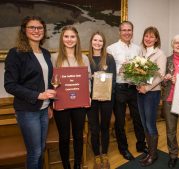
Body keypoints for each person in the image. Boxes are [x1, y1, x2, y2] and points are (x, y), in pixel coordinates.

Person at [4, 16, 55, 169]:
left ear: (44, 31)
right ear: (24, 31)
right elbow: (10, 85)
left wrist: (49, 104)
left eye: (39, 28)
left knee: (41, 149)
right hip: (27, 110)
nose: (36, 30)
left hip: (44, 109)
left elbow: (47, 81)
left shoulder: (46, 53)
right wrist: (39, 95)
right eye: (32, 27)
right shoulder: (16, 53)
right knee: (35, 152)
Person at [51, 25, 91, 169]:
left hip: (79, 104)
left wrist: (88, 97)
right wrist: (52, 98)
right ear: (62, 38)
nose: (69, 39)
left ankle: (77, 165)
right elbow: (51, 81)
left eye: (72, 36)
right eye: (66, 36)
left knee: (78, 136)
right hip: (61, 103)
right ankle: (66, 165)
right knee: (64, 137)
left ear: (77, 39)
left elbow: (88, 80)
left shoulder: (84, 58)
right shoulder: (54, 57)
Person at [107, 21, 146, 161]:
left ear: (132, 32)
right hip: (119, 89)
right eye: (124, 30)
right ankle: (123, 148)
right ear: (119, 32)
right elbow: (108, 70)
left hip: (134, 88)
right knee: (120, 121)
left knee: (138, 118)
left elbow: (141, 69)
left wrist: (141, 76)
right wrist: (120, 69)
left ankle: (141, 145)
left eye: (129, 30)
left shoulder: (137, 49)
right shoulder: (111, 49)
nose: (127, 32)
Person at [136, 26, 167, 166]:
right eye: (146, 36)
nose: (148, 39)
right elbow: (136, 72)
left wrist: (147, 88)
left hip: (152, 93)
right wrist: (137, 84)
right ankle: (150, 151)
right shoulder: (140, 52)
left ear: (156, 39)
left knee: (150, 123)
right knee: (144, 123)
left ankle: (153, 155)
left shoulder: (160, 54)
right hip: (140, 91)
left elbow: (160, 76)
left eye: (151, 36)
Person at [86, 31, 116, 169]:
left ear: (103, 43)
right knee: (94, 128)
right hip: (91, 99)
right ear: (91, 41)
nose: (97, 43)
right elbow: (82, 80)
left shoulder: (109, 58)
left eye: (100, 41)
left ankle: (104, 153)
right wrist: (90, 77)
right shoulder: (86, 59)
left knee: (105, 126)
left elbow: (114, 79)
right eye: (95, 40)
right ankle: (97, 155)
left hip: (106, 98)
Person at [162, 34, 179, 168]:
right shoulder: (166, 60)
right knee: (170, 131)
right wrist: (165, 78)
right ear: (172, 45)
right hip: (169, 99)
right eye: (176, 42)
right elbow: (160, 81)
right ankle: (173, 155)